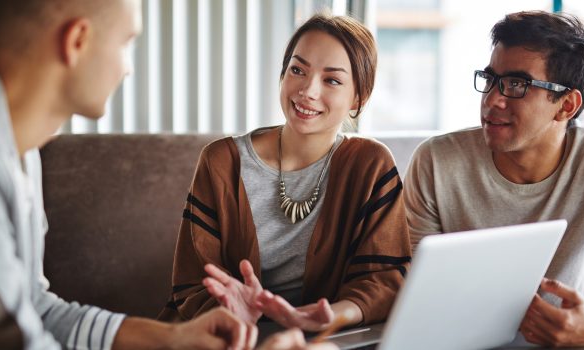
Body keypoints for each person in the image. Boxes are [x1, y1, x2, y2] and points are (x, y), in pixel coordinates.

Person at [0, 0, 333, 349]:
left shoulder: (11, 141)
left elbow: (35, 310)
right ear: (77, 41)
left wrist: (173, 338)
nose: (128, 67)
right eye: (126, 43)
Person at [403, 10, 584, 347]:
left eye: (517, 85)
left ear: (566, 105)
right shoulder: (436, 161)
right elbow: (414, 292)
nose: (493, 99)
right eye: (490, 79)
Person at [158, 13, 412, 332]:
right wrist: (239, 317)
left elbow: (386, 280)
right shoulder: (221, 161)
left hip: (323, 339)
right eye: (297, 70)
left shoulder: (370, 164)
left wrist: (330, 316)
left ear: (358, 97)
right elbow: (192, 282)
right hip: (227, 336)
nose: (307, 90)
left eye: (331, 80)